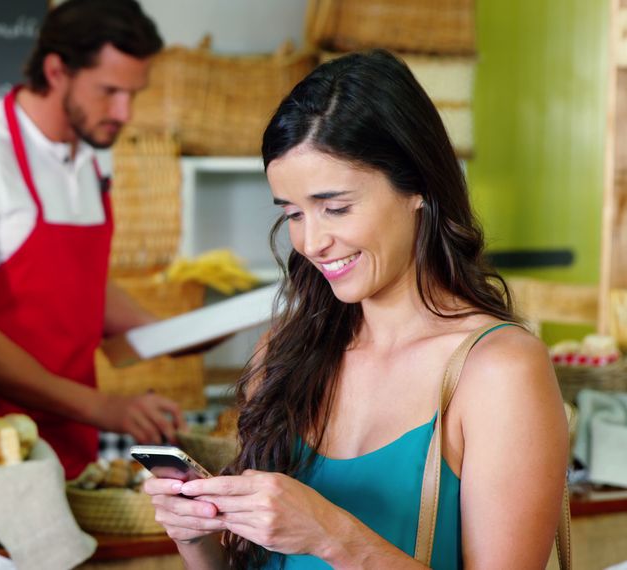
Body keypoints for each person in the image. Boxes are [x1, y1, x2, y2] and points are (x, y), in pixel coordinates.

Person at [145, 50, 568, 568]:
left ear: (417, 185)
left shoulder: (498, 371)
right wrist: (194, 536)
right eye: (294, 214)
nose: (312, 241)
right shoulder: (282, 353)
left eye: (336, 207)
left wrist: (331, 535)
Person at [0, 0, 184, 479]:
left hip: (72, 439)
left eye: (133, 94)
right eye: (109, 91)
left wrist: (173, 334)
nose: (123, 112)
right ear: (56, 70)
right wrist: (102, 407)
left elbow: (76, 282)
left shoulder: (94, 151)